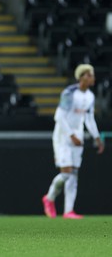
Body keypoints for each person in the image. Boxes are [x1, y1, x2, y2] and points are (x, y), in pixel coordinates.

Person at [42, 64, 104, 219]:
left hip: (78, 137)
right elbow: (59, 117)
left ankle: (68, 211)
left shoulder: (89, 96)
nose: (93, 78)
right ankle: (49, 198)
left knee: (74, 174)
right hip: (63, 136)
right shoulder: (70, 93)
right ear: (81, 76)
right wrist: (71, 135)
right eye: (89, 75)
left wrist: (96, 137)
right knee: (66, 173)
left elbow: (89, 119)